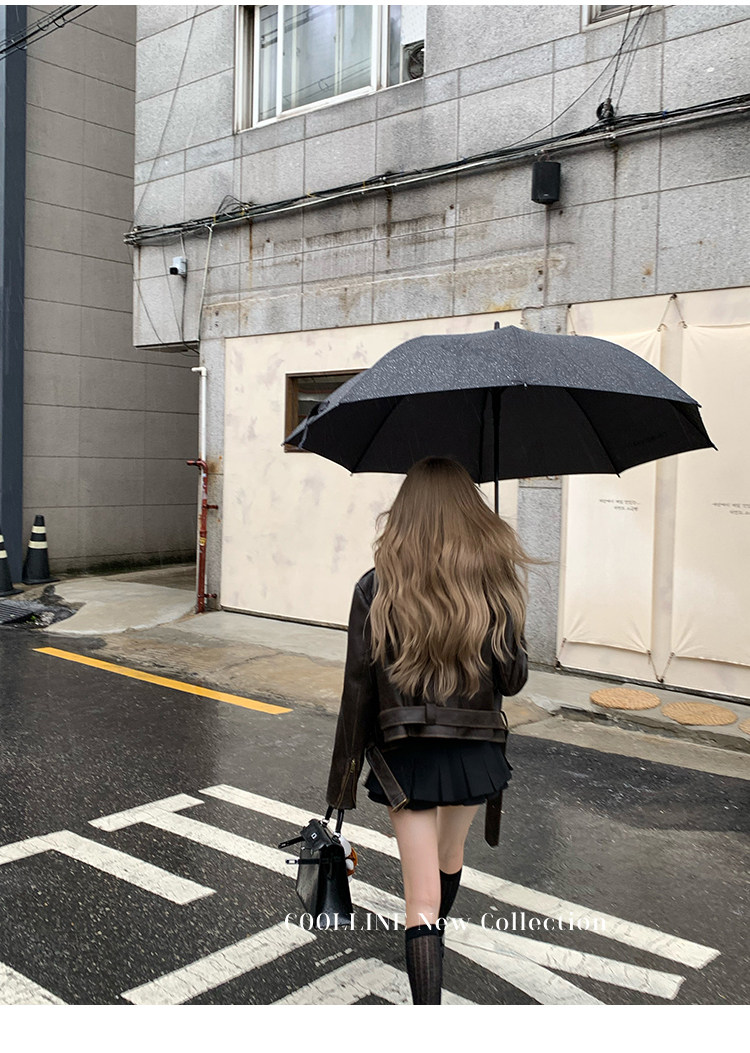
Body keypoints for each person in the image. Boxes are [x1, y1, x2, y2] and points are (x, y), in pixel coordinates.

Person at [326, 456, 531, 1005]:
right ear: (471, 513)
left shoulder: (376, 587)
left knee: (420, 900)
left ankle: (426, 975)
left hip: (406, 756)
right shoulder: (492, 585)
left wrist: (341, 789)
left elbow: (357, 692)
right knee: (449, 858)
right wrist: (507, 607)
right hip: (475, 751)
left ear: (405, 514)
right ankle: (432, 946)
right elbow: (512, 681)